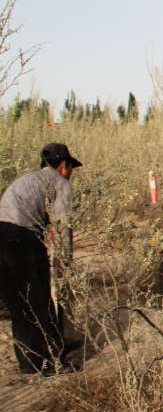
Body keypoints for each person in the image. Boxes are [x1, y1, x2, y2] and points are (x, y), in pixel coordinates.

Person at [0, 143, 81, 375]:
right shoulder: (60, 182)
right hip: (22, 239)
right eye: (71, 167)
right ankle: (52, 360)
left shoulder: (27, 180)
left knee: (18, 304)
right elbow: (64, 223)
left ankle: (29, 363)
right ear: (63, 166)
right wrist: (66, 259)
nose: (71, 173)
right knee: (40, 299)